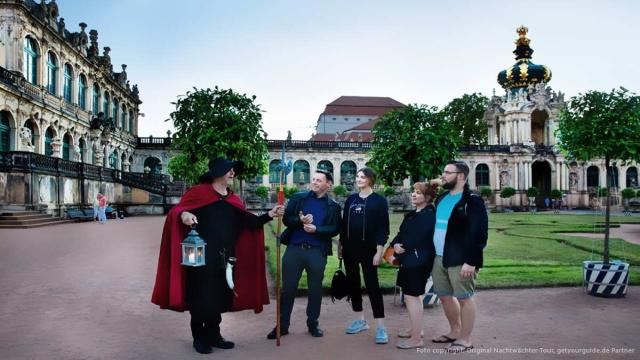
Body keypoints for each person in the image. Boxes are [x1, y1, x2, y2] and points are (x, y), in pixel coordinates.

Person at [151, 157, 284, 354]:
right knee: (200, 298)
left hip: (225, 258)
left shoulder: (233, 199)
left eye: (233, 170)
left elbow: (248, 222)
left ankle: (214, 335)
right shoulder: (198, 193)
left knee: (220, 297)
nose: (232, 173)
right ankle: (199, 338)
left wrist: (269, 215)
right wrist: (184, 215)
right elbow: (177, 211)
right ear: (217, 173)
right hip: (200, 257)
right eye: (229, 170)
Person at [267, 169, 341, 339]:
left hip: (317, 253)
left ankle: (313, 324)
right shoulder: (299, 198)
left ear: (328, 184)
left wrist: (317, 229)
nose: (314, 182)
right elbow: (287, 220)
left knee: (315, 290)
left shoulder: (334, 206)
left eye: (318, 180)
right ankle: (282, 325)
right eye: (313, 179)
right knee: (288, 290)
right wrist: (299, 220)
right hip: (294, 250)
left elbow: (335, 228)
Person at [431, 161, 488, 353]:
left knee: (464, 298)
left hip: (460, 258)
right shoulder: (442, 198)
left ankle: (466, 339)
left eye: (447, 172)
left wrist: (471, 261)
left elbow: (480, 234)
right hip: (439, 257)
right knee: (445, 297)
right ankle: (455, 331)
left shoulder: (472, 200)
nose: (443, 175)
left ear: (461, 176)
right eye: (443, 172)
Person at [338, 167, 390, 344]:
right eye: (357, 176)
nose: (358, 179)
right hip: (350, 249)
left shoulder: (379, 201)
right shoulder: (351, 199)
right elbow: (345, 224)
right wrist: (341, 244)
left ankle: (381, 327)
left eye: (362, 177)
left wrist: (379, 250)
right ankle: (360, 320)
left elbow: (383, 228)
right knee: (354, 285)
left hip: (369, 250)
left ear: (370, 180)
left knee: (372, 286)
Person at [389, 182, 437, 349]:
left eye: (418, 192)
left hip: (419, 260)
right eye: (414, 192)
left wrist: (403, 247)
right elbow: (401, 233)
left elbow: (420, 237)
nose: (414, 195)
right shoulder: (412, 215)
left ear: (428, 197)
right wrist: (394, 245)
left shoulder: (429, 215)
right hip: (409, 259)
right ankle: (416, 330)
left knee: (412, 296)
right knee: (414, 296)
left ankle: (416, 339)